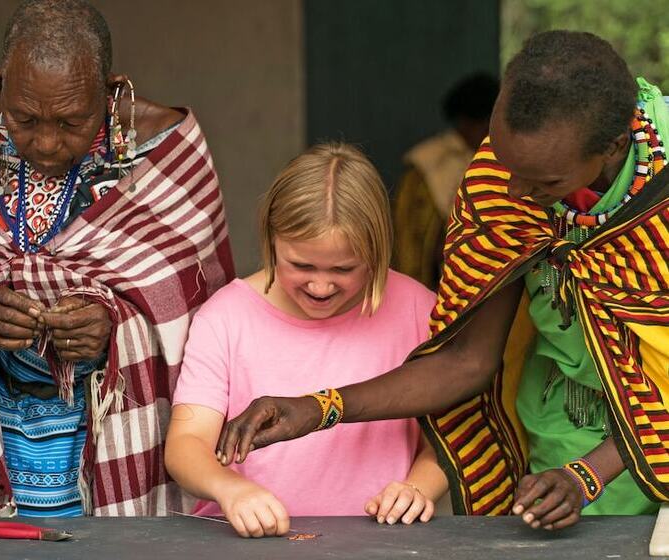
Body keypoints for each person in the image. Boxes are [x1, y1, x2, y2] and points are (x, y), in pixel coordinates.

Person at [217, 30, 669, 530]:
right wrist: (318, 407)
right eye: (501, 158)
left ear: (614, 144)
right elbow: (465, 360)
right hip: (564, 429)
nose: (514, 190)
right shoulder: (504, 177)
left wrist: (590, 474)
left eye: (545, 183)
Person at [0, 0, 233, 518]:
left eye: (73, 121)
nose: (47, 143)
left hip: (119, 436)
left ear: (113, 93)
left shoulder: (169, 148)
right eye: (24, 118)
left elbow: (200, 308)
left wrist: (116, 323)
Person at [165, 143, 447, 538]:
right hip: (249, 543)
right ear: (271, 239)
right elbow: (186, 445)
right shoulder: (225, 316)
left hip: (382, 540)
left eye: (343, 269)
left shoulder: (421, 310)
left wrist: (419, 487)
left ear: (378, 250)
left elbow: (451, 435)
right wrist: (231, 489)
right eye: (300, 265)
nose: (319, 285)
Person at [391, 73, 499, 288]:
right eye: (483, 124)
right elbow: (411, 240)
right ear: (463, 122)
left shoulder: (507, 158)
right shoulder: (428, 165)